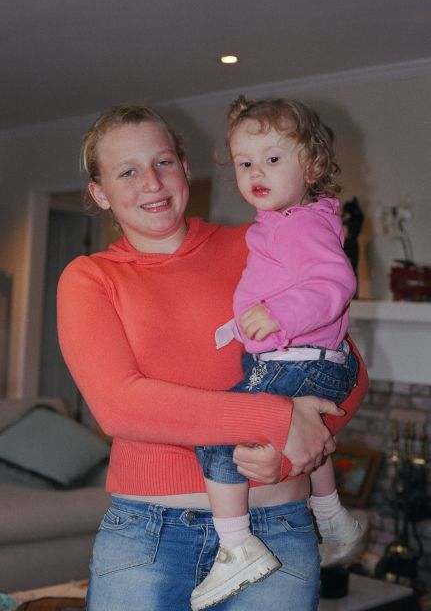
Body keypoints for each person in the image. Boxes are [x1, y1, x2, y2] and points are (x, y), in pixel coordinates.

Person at [57, 103, 368, 611]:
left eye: (163, 162)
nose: (152, 183)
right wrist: (278, 419)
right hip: (146, 538)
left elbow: (344, 364)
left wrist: (300, 444)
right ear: (100, 193)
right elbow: (120, 406)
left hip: (278, 532)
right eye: (128, 172)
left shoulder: (260, 241)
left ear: (184, 167)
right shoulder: (90, 278)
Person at [192, 95, 365, 610]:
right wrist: (245, 326)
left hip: (297, 359)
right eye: (244, 162)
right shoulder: (287, 221)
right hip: (310, 359)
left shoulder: (298, 224)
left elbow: (335, 283)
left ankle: (236, 547)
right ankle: (332, 515)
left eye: (272, 158)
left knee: (219, 436)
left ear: (312, 165)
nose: (256, 172)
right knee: (304, 430)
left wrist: (279, 316)